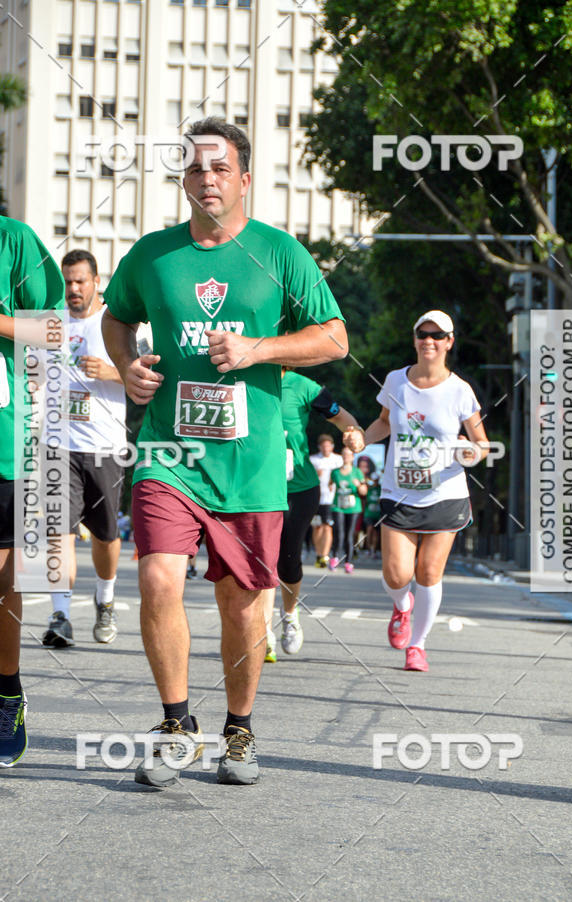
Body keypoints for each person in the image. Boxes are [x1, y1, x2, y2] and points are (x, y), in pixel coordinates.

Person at [101, 118, 348, 787]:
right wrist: (127, 367)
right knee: (156, 576)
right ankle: (176, 723)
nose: (206, 179)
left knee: (243, 604)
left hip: (252, 462)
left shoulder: (280, 254)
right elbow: (116, 316)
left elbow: (334, 339)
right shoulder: (152, 257)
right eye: (193, 169)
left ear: (243, 178)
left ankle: (239, 729)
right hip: (168, 453)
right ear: (182, 179)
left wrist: (258, 350)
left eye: (219, 168)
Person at [363, 310, 489, 672]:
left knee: (429, 573)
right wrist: (360, 440)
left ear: (450, 341)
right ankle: (402, 605)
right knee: (396, 575)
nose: (429, 341)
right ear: (415, 339)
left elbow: (481, 443)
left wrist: (472, 452)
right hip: (399, 492)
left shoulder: (460, 391)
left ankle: (417, 646)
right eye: (423, 334)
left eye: (438, 335)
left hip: (445, 493)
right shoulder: (395, 382)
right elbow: (384, 424)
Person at [0, 216, 64, 766]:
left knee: (2, 577)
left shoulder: (12, 240)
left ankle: (5, 692)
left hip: (2, 438)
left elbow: (51, 330)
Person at [40, 250, 126, 649]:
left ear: (96, 282)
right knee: (58, 531)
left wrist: (111, 371)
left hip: (106, 446)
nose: (73, 289)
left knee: (106, 536)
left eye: (81, 281)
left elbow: (150, 378)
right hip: (58, 444)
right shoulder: (50, 324)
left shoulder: (117, 324)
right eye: (68, 281)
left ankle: (105, 600)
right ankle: (61, 616)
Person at [263, 369, 364, 662]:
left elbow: (343, 418)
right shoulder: (239, 379)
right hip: (254, 488)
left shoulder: (303, 387)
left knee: (288, 558)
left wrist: (353, 433)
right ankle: (262, 631)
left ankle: (290, 615)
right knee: (261, 558)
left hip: (299, 488)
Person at [328, 447, 367, 573]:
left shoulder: (357, 472)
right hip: (338, 505)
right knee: (339, 532)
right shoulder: (335, 472)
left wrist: (358, 485)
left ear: (353, 457)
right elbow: (330, 484)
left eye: (349, 455)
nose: (346, 457)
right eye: (344, 454)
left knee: (349, 534)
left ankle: (348, 562)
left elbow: (364, 491)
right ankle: (334, 558)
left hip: (353, 507)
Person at [309, 434, 343, 567]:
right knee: (317, 527)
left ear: (332, 446)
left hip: (331, 499)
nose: (326, 448)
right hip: (316, 498)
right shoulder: (313, 459)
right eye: (323, 446)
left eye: (328, 446)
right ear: (319, 447)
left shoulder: (338, 459)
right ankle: (318, 554)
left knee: (328, 527)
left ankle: (325, 555)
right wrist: (315, 475)